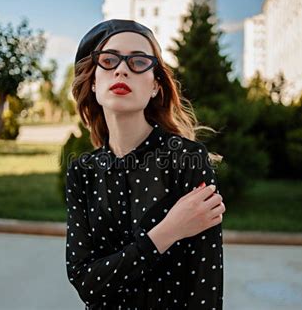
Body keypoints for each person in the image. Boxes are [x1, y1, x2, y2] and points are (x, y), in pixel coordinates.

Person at [65, 19, 226, 309]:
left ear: (155, 85)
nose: (122, 69)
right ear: (93, 81)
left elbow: (206, 286)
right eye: (109, 59)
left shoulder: (187, 160)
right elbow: (86, 282)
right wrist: (169, 231)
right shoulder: (82, 171)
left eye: (139, 61)